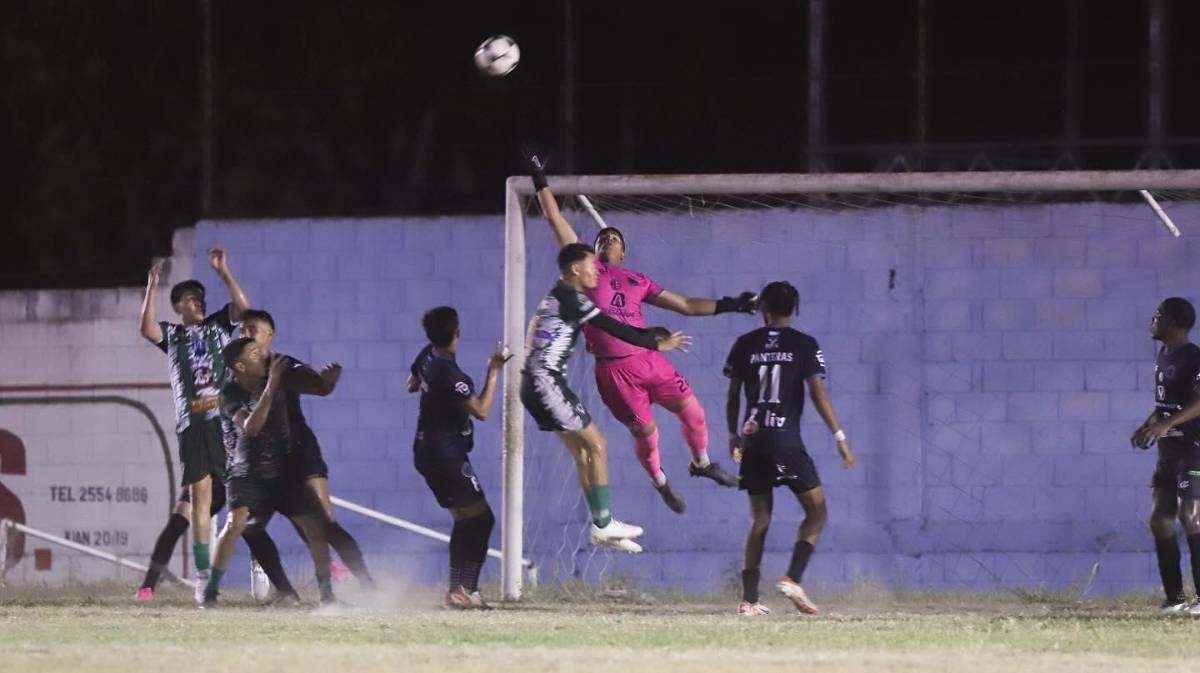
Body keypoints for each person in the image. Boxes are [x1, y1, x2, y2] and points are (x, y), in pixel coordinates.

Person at [526, 151, 757, 513]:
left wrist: (733, 304)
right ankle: (661, 482)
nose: (608, 240)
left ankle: (702, 464)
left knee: (694, 414)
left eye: (615, 237)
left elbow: (685, 304)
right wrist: (539, 176)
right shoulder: (586, 274)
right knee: (650, 438)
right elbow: (555, 219)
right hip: (615, 371)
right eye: (603, 238)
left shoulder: (638, 281)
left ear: (624, 250)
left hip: (651, 358)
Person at [521, 242, 688, 552]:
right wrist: (656, 344)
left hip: (534, 384)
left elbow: (535, 330)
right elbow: (615, 329)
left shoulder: (555, 295)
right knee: (598, 445)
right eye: (590, 266)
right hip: (547, 384)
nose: (596, 273)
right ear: (575, 270)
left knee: (584, 454)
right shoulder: (573, 299)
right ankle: (603, 524)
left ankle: (601, 525)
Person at [724, 281, 856, 616]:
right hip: (785, 439)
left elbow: (733, 395)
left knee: (760, 518)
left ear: (763, 310)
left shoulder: (744, 343)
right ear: (793, 309)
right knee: (817, 512)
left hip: (753, 437)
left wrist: (733, 436)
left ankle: (749, 600)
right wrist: (840, 437)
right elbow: (818, 393)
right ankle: (793, 579)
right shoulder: (805, 344)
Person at [135, 249, 251, 602]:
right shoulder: (173, 336)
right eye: (191, 298)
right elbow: (146, 328)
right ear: (178, 307)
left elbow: (244, 310)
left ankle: (261, 570)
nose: (199, 301)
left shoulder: (217, 326)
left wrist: (224, 271)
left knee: (245, 499)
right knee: (199, 498)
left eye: (201, 297)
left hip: (223, 423)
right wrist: (152, 287)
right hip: (193, 424)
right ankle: (203, 576)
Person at [240, 309, 376, 590]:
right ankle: (286, 590)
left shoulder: (283, 364)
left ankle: (365, 583)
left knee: (324, 523)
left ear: (269, 335)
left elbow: (317, 385)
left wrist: (326, 380)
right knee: (252, 526)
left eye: (252, 329)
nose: (246, 335)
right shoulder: (238, 371)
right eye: (242, 330)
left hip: (300, 455)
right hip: (265, 464)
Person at [202, 337, 337, 607]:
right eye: (254, 353)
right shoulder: (230, 393)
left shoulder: (277, 375)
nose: (263, 355)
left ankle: (328, 597)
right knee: (235, 524)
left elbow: (318, 387)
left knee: (314, 527)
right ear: (240, 366)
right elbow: (251, 429)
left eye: (261, 349)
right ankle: (210, 592)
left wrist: (328, 379)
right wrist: (272, 385)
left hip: (283, 470)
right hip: (246, 471)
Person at [412, 307, 511, 608]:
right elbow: (481, 410)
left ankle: (458, 590)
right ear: (457, 333)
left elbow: (411, 383)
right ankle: (466, 588)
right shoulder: (452, 373)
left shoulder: (427, 356)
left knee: (465, 520)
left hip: (426, 451)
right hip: (446, 454)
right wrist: (494, 371)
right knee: (483, 519)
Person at [1131, 298, 1200, 613]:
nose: (1152, 320)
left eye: (1158, 315)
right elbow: (1165, 405)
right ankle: (1175, 601)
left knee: (1192, 517)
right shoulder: (1163, 355)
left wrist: (1167, 425)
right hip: (1168, 450)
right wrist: (1147, 426)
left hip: (1192, 449)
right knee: (1160, 520)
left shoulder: (1193, 357)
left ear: (1173, 322)